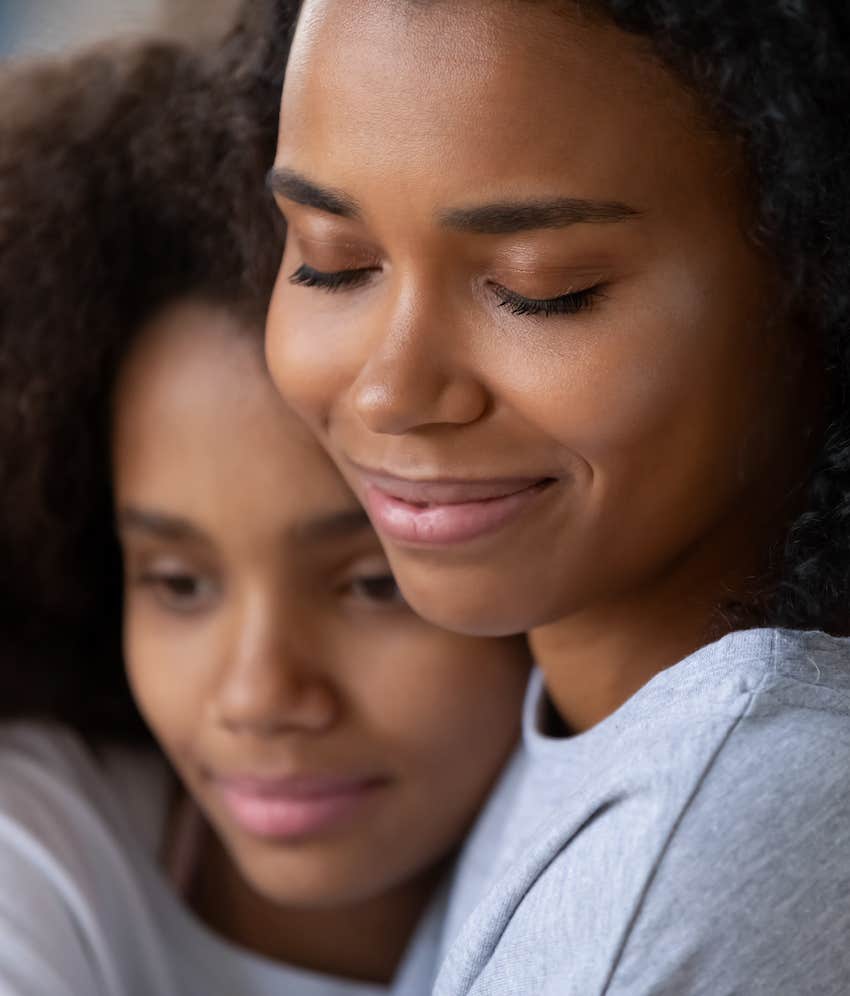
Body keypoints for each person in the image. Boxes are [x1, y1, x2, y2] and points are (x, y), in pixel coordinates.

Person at [265, 1, 850, 992]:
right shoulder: (562, 707)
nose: (390, 392)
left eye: (542, 290)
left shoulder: (730, 826)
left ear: (813, 276)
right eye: (332, 264)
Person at [0, 34, 529, 996]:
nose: (257, 695)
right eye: (178, 582)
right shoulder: (37, 845)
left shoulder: (646, 863)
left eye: (372, 585)